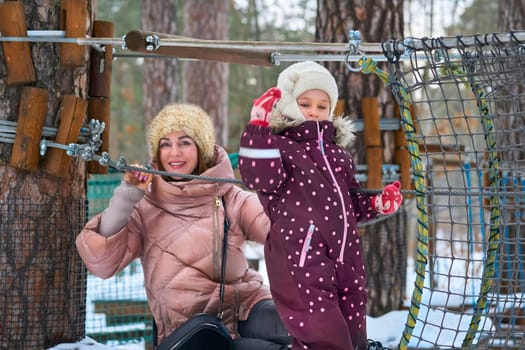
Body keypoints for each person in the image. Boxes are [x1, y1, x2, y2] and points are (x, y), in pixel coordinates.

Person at [76, 103, 291, 349]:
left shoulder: (229, 196)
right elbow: (102, 262)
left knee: (296, 325)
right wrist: (127, 197)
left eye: (185, 142)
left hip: (246, 307)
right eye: (165, 144)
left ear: (202, 148)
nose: (174, 152)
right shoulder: (146, 206)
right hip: (193, 330)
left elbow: (279, 229)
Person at [238, 61, 403, 350]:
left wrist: (377, 202)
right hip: (300, 260)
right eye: (304, 103)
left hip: (346, 260)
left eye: (322, 105)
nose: (314, 111)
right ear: (289, 104)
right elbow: (259, 176)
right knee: (325, 338)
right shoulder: (277, 146)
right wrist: (258, 125)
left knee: (353, 337)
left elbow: (349, 203)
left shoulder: (338, 155)